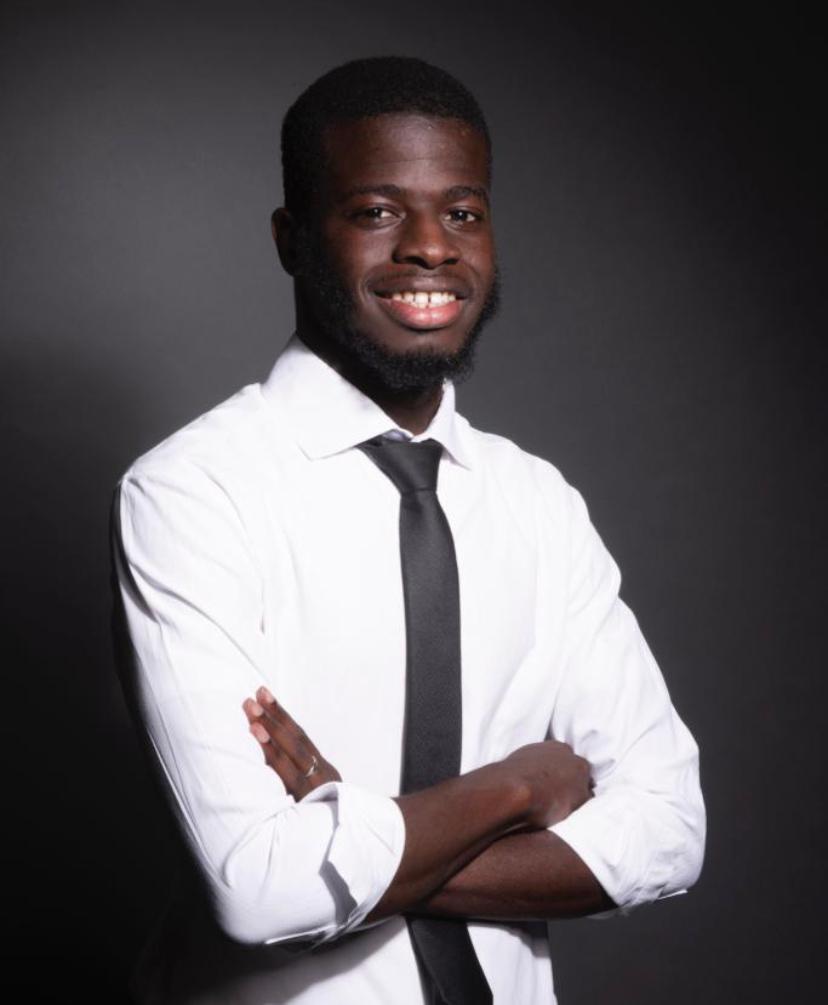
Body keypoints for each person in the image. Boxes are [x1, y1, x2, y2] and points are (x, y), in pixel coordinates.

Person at [110, 56, 705, 1005]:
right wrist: (516, 789)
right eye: (378, 210)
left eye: (463, 212)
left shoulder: (539, 502)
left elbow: (671, 830)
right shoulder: (191, 492)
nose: (431, 247)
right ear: (292, 239)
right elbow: (258, 888)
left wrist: (358, 835)